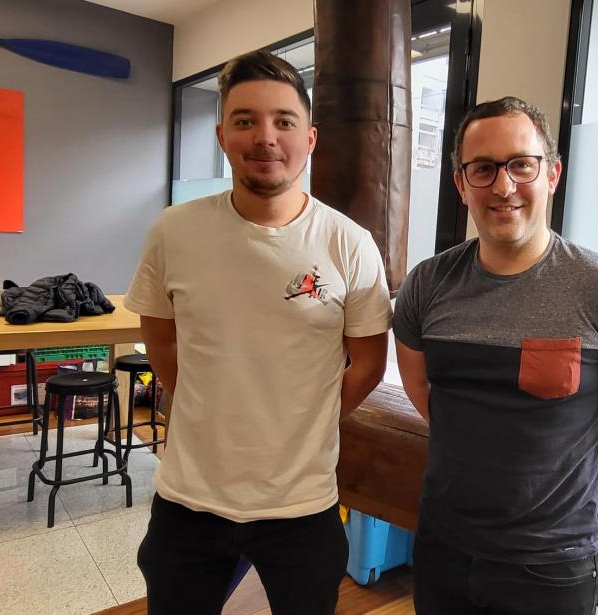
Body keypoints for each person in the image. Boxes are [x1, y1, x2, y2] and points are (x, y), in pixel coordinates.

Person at [393, 96, 598, 615]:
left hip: (552, 564)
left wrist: (581, 482)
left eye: (520, 165)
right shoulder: (428, 284)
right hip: (444, 544)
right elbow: (422, 389)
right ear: (461, 185)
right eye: (482, 169)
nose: (503, 187)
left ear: (551, 174)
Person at [125, 50, 392, 615]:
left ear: (310, 138)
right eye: (245, 120)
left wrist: (304, 416)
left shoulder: (349, 243)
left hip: (302, 504)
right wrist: (204, 403)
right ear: (223, 135)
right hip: (188, 500)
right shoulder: (174, 232)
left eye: (283, 121)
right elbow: (161, 342)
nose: (264, 136)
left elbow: (367, 362)